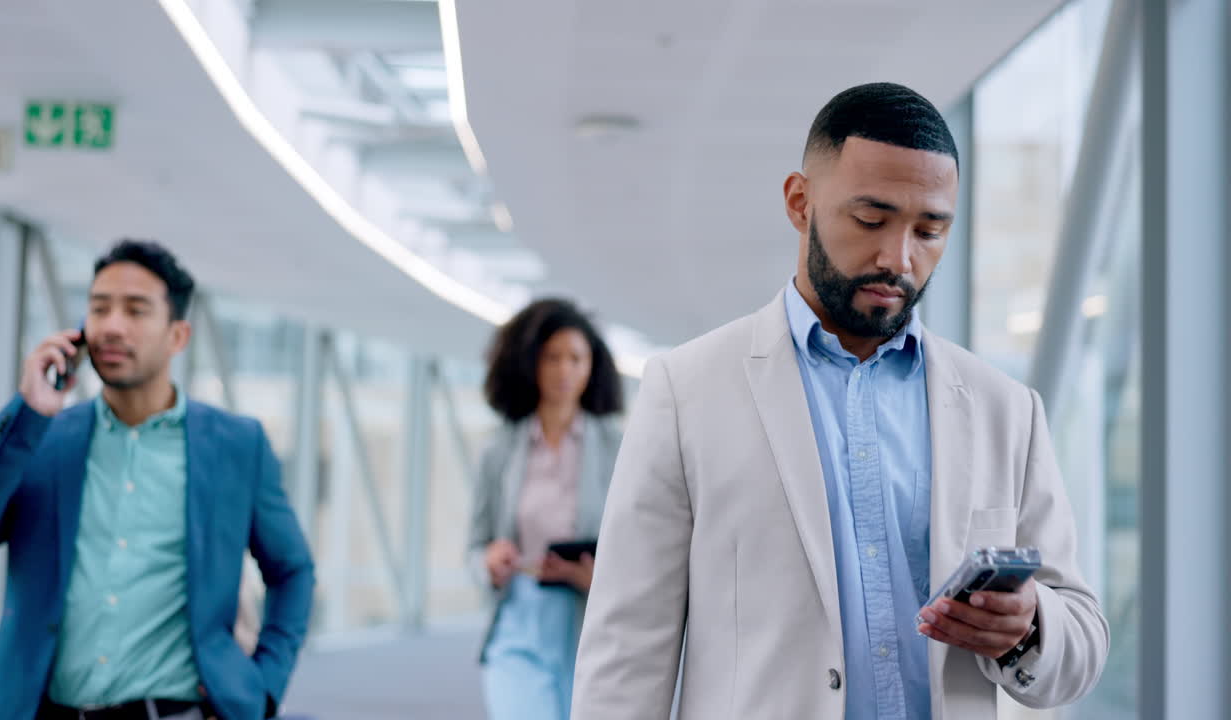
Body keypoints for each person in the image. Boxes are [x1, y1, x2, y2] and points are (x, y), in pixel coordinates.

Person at [571, 83, 1109, 719]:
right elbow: (626, 650)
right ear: (800, 203)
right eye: (870, 220)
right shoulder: (685, 392)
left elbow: (1082, 639)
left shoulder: (1006, 411)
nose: (898, 258)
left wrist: (1029, 624)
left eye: (929, 229)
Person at [0, 240, 315, 720]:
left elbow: (292, 570)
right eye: (99, 308)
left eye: (135, 310)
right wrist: (28, 414)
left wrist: (265, 685)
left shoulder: (236, 446)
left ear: (177, 336)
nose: (112, 326)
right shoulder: (42, 438)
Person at [468, 298, 624, 720]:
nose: (563, 370)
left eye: (575, 358)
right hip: (519, 620)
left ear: (593, 367)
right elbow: (474, 545)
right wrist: (488, 560)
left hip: (587, 622)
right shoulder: (499, 449)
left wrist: (600, 577)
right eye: (552, 357)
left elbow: (637, 543)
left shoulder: (619, 448)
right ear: (530, 363)